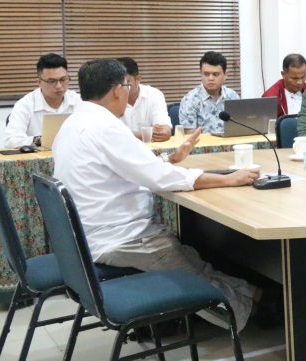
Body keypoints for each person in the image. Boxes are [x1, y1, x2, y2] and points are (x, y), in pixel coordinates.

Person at [52, 59, 260, 331]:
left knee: (191, 256)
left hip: (94, 234)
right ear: (117, 90)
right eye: (126, 86)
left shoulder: (73, 123)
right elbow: (161, 179)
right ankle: (252, 311)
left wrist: (170, 159)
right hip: (122, 239)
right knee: (196, 274)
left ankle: (256, 294)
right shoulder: (105, 127)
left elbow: (132, 168)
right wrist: (229, 179)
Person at [5, 53, 81, 148]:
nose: (59, 86)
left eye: (63, 79)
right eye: (52, 81)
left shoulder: (79, 101)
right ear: (39, 82)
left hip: (72, 154)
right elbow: (11, 141)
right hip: (39, 156)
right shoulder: (25, 105)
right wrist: (40, 140)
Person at [179, 51, 240, 135]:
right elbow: (190, 137)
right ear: (200, 74)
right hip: (202, 143)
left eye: (215, 74)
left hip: (230, 142)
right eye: (206, 74)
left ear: (225, 75)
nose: (210, 78)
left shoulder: (232, 96)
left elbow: (239, 129)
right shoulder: (189, 100)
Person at [117, 57, 172, 142]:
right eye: (118, 83)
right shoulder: (110, 98)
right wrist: (146, 134)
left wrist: (127, 136)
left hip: (150, 148)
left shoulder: (154, 94)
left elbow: (164, 131)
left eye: (127, 82)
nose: (121, 87)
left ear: (138, 79)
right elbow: (112, 136)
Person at [262, 53, 306, 117]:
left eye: (303, 77)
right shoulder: (270, 98)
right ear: (283, 74)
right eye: (294, 78)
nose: (300, 82)